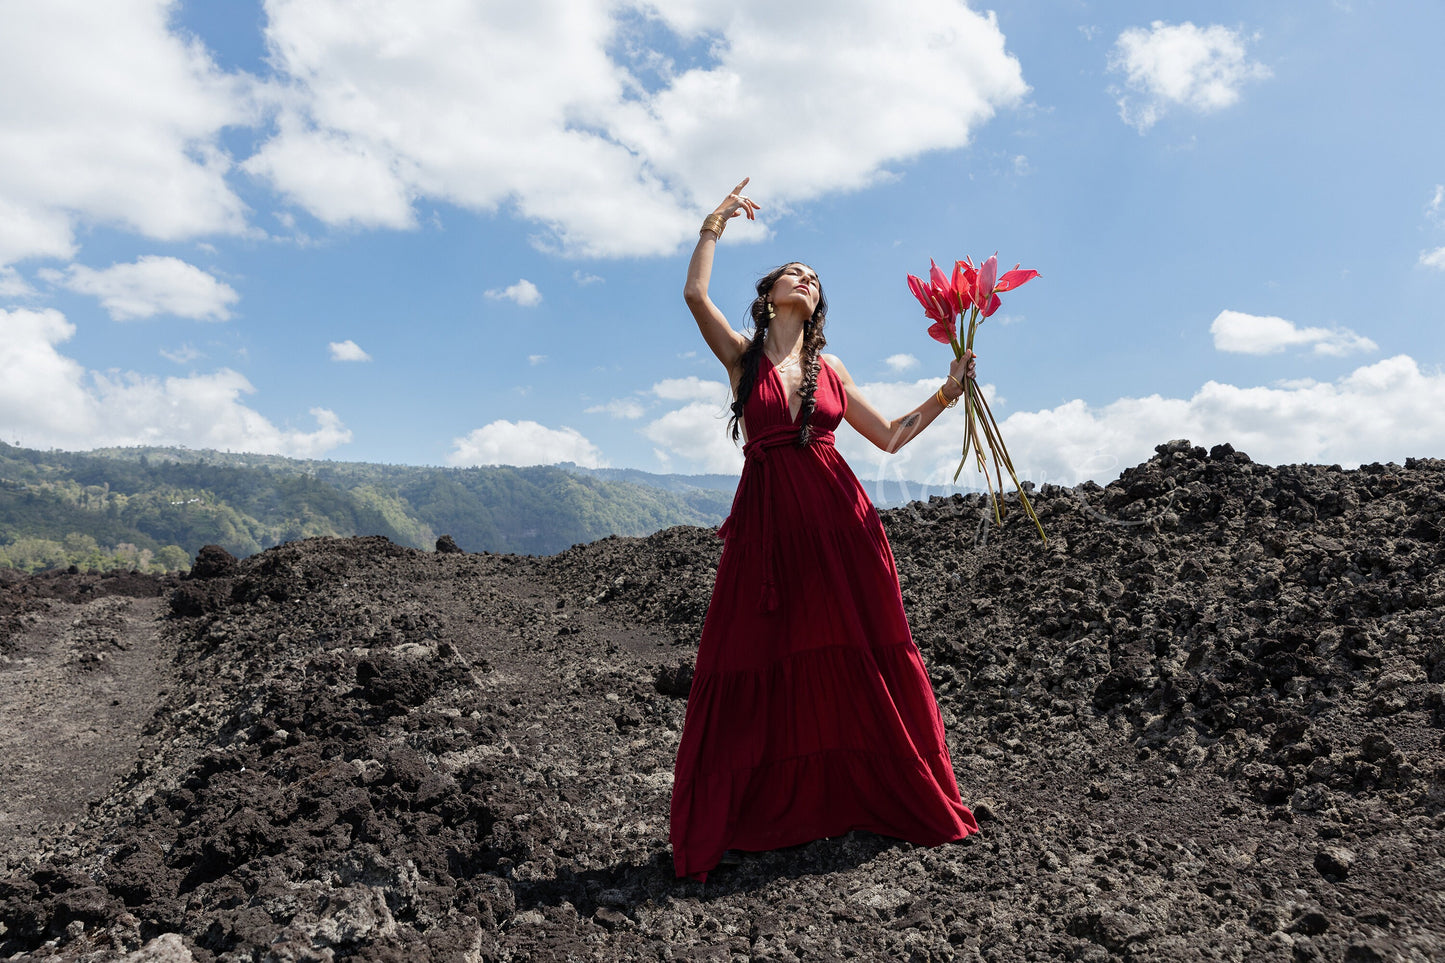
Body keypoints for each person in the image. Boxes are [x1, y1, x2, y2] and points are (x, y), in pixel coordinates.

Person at [670, 178, 980, 881]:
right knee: (758, 651)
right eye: (793, 270)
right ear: (770, 291)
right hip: (767, 526)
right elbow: (694, 296)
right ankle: (756, 804)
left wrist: (946, 390)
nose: (804, 278)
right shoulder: (741, 358)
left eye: (814, 277)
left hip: (841, 523)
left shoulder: (830, 366)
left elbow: (891, 438)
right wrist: (712, 224)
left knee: (858, 651)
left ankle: (871, 790)